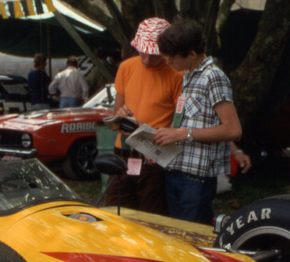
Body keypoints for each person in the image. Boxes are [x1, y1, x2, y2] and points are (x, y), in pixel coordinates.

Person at [153, 19, 242, 224]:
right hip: (176, 170)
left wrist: (183, 133)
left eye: (172, 57)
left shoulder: (213, 77)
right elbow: (188, 122)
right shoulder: (187, 75)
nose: (167, 61)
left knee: (192, 235)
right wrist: (162, 142)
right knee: (176, 234)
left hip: (196, 178)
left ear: (192, 54)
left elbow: (233, 130)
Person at [103, 17, 183, 216]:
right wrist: (120, 114)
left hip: (153, 157)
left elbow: (180, 122)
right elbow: (116, 112)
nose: (147, 60)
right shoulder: (127, 67)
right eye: (142, 53)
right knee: (114, 212)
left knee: (151, 217)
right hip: (123, 153)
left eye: (154, 54)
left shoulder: (176, 74)